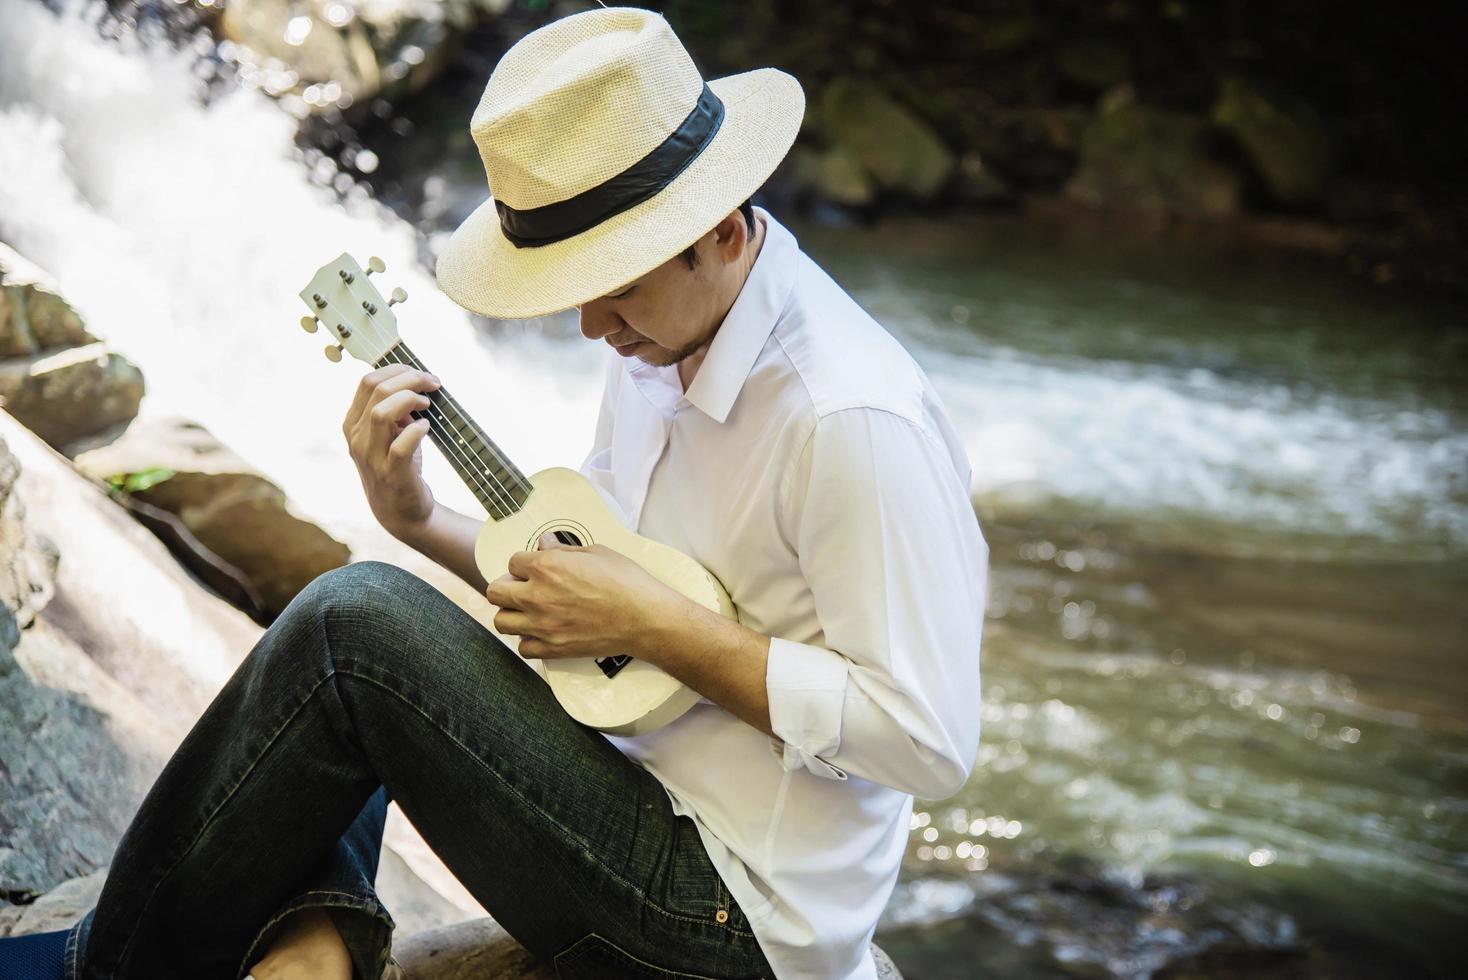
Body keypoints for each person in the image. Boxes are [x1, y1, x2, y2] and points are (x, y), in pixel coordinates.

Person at [0, 6, 986, 979]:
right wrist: (416, 518)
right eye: (574, 284)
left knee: (354, 626)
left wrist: (665, 627)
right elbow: (593, 592)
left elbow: (927, 740)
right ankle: (315, 942)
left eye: (616, 285)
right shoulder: (661, 337)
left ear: (721, 230)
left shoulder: (848, 419)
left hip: (735, 921)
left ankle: (114, 963)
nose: (593, 322)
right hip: (634, 784)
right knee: (374, 639)